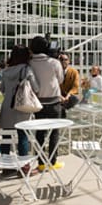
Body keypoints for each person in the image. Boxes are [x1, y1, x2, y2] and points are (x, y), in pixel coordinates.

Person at [0, 45, 37, 174]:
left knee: (6, 138)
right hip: (21, 106)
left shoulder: (6, 71)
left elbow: (2, 89)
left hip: (7, 106)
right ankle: (24, 167)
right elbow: (35, 87)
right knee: (23, 137)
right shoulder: (26, 69)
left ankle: (6, 166)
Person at [28, 36, 65, 171]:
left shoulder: (30, 63)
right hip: (54, 100)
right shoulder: (54, 62)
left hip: (38, 102)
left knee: (40, 133)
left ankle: (41, 162)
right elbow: (60, 80)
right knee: (54, 132)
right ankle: (53, 161)